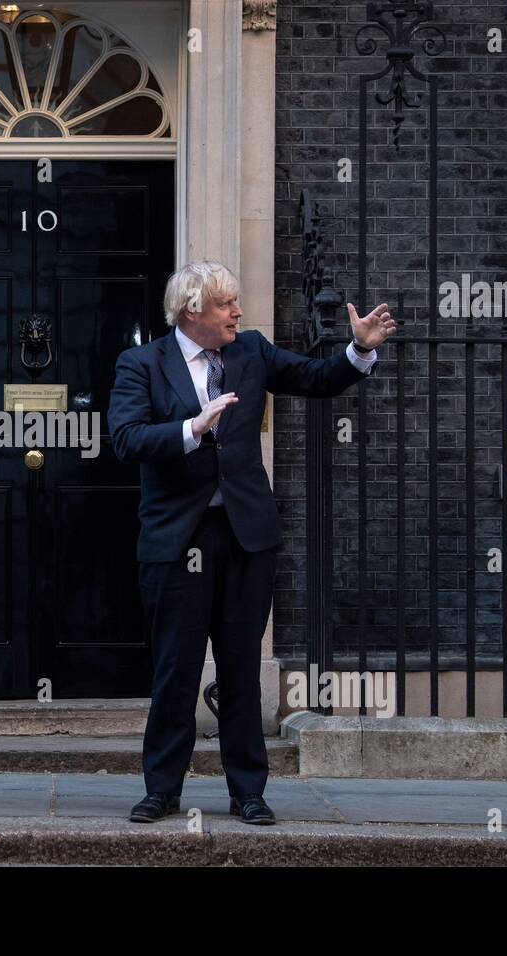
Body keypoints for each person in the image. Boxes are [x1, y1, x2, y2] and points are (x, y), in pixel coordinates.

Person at [107, 259, 396, 824]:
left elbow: (314, 379)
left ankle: (248, 791)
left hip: (245, 536)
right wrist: (194, 429)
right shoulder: (142, 362)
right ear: (193, 311)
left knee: (240, 666)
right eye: (225, 304)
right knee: (176, 668)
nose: (238, 312)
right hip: (175, 540)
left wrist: (357, 351)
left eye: (236, 302)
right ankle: (163, 788)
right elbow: (127, 438)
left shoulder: (251, 351)